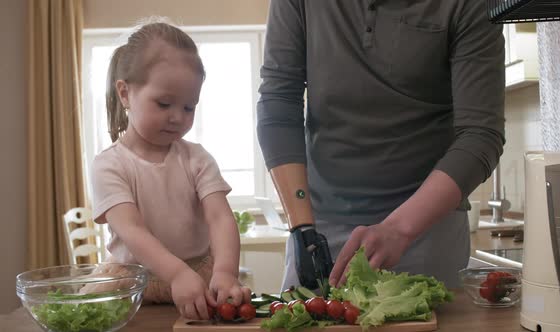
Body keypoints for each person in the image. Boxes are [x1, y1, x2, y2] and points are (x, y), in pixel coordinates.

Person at [257, 0, 505, 290]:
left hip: (426, 230)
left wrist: (400, 228)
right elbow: (278, 104)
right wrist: (302, 229)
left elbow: (480, 133)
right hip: (317, 229)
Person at [91, 21, 250, 320]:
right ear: (125, 93)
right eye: (164, 103)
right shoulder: (109, 165)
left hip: (195, 275)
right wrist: (176, 274)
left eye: (189, 107)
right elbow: (132, 230)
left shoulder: (197, 158)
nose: (178, 117)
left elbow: (219, 217)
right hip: (130, 281)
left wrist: (226, 271)